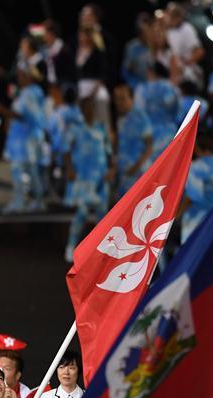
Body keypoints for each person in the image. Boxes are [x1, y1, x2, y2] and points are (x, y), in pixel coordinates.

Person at [64, 97, 112, 263]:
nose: (89, 111)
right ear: (82, 110)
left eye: (91, 107)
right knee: (82, 213)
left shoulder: (101, 127)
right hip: (84, 177)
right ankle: (71, 246)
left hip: (101, 177)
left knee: (102, 215)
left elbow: (108, 150)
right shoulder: (75, 128)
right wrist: (69, 169)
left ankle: (101, 251)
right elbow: (66, 150)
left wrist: (111, 169)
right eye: (86, 108)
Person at [2, 65, 46, 214]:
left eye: (22, 75)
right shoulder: (31, 92)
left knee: (20, 170)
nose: (19, 78)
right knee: (32, 171)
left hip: (26, 138)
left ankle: (20, 201)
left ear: (30, 77)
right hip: (27, 137)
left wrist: (1, 110)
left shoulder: (30, 93)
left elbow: (24, 115)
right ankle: (36, 201)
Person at [177, 130, 213, 243]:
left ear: (196, 148)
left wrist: (176, 217)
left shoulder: (195, 168)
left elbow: (192, 197)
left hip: (196, 221)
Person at [134, 62, 179, 167]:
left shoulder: (142, 89)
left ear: (151, 72)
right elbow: (177, 111)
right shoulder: (171, 87)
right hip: (169, 133)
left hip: (149, 134)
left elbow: (138, 111)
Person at [114, 84, 152, 196]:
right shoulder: (120, 119)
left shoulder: (140, 117)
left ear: (131, 98)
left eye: (122, 98)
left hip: (138, 174)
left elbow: (149, 147)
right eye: (116, 99)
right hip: (124, 175)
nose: (119, 102)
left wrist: (136, 167)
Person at [121, 14, 153, 91]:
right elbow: (125, 71)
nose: (143, 33)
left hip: (157, 85)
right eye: (140, 30)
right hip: (138, 86)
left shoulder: (158, 44)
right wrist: (135, 84)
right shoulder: (131, 47)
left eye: (146, 30)